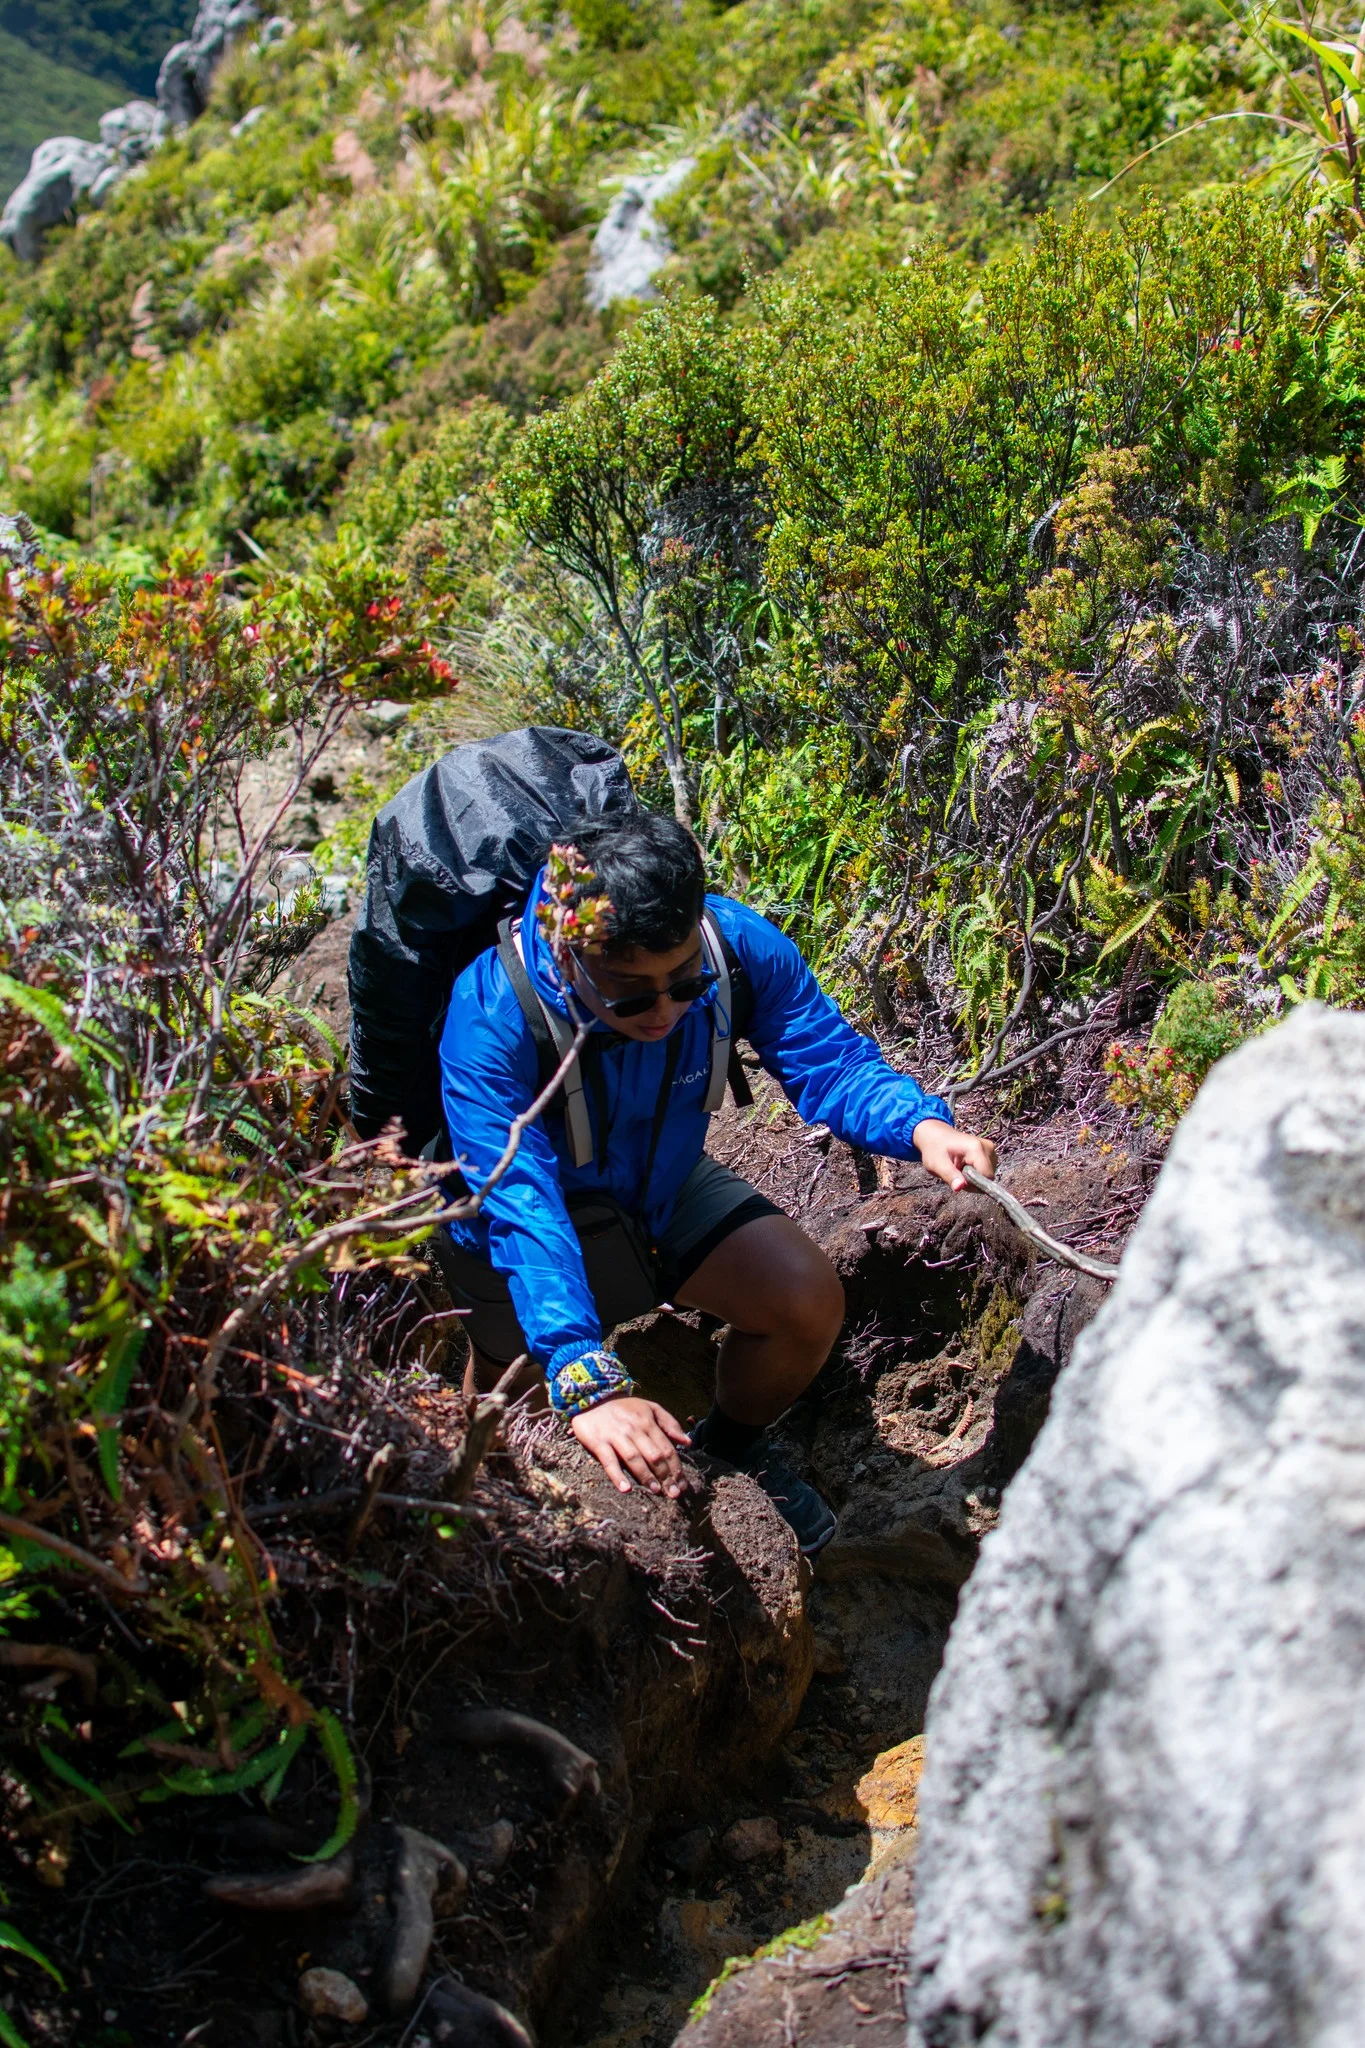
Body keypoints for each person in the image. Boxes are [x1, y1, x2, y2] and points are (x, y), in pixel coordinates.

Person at [436, 814, 997, 1556]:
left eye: (685, 984)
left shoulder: (737, 946)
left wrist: (921, 1127)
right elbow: (519, 1201)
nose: (665, 1013)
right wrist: (581, 1369)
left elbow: (827, 1060)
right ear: (565, 948)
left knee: (804, 1301)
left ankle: (728, 1453)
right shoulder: (490, 1017)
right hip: (517, 1229)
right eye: (631, 994)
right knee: (515, 1419)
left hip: (660, 1186)